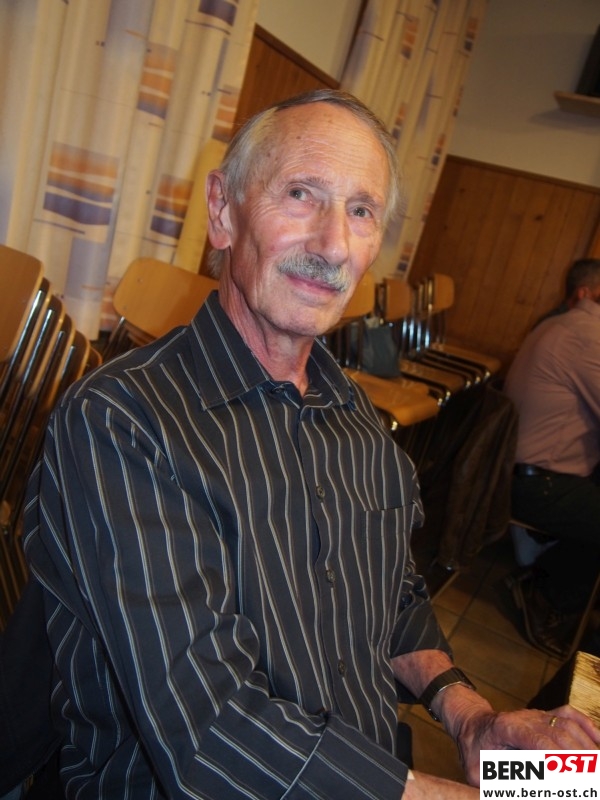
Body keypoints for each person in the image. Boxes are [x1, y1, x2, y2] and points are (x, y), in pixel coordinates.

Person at [22, 89, 599, 800]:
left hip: (376, 769)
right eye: (301, 194)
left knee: (581, 782)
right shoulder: (123, 422)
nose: (332, 245)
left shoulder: (359, 421)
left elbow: (394, 594)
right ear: (223, 211)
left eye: (361, 212)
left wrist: (471, 718)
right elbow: (209, 735)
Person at [504, 258, 600, 657]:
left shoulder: (560, 323)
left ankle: (545, 577)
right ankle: (545, 595)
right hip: (536, 483)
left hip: (521, 471)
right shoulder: (587, 334)